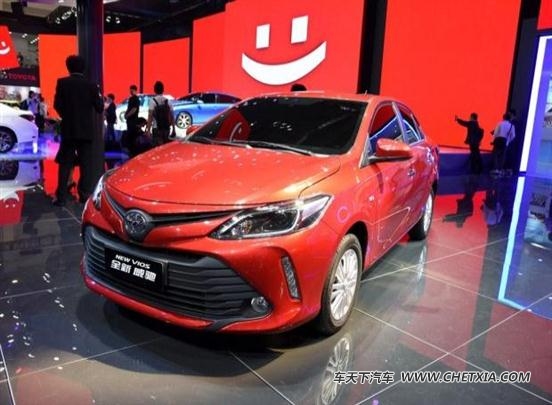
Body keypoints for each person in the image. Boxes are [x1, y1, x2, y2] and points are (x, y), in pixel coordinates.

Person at [53, 54, 104, 206]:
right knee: (86, 165)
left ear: (68, 67)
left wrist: (67, 116)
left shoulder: (62, 83)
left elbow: (57, 105)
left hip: (69, 129)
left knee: (65, 164)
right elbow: (99, 107)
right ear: (84, 68)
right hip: (86, 131)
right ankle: (84, 196)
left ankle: (61, 198)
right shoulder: (91, 85)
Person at [145, 81, 175, 146]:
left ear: (154, 90)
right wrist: (173, 129)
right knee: (165, 147)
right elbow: (172, 116)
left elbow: (150, 116)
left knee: (157, 148)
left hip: (156, 128)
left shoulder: (152, 101)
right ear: (163, 90)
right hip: (166, 128)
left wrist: (148, 130)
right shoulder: (168, 101)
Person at [491, 112, 515, 177]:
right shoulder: (511, 126)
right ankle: (500, 169)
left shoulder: (500, 124)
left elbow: (495, 133)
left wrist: (492, 140)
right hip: (505, 141)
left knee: (495, 154)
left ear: (503, 117)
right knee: (503, 156)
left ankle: (496, 169)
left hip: (498, 140)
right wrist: (508, 141)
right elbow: (513, 136)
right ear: (509, 118)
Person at [123, 84, 140, 152]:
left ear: (135, 90)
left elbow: (134, 109)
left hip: (133, 121)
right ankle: (130, 150)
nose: (130, 92)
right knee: (130, 136)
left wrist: (127, 115)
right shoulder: (131, 99)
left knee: (132, 136)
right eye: (130, 90)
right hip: (129, 121)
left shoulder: (135, 99)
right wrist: (125, 114)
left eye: (132, 90)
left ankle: (133, 151)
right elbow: (129, 108)